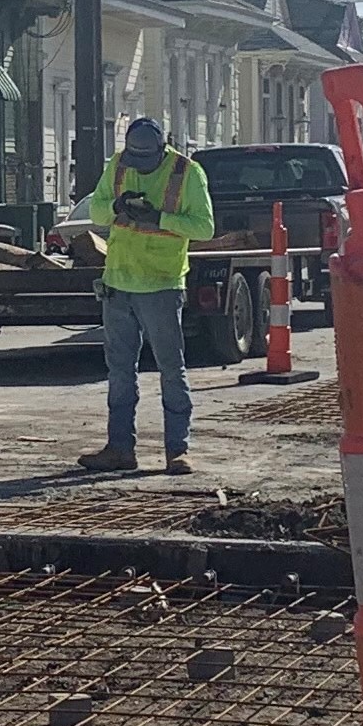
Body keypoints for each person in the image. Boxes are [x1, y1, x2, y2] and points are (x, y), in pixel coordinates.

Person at [77, 115, 214, 474]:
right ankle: (120, 448)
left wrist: (160, 219)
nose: (140, 167)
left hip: (162, 283)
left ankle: (177, 450)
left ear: (163, 146)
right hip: (119, 280)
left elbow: (205, 227)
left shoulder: (186, 172)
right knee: (120, 371)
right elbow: (95, 210)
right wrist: (116, 208)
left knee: (171, 368)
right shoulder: (119, 165)